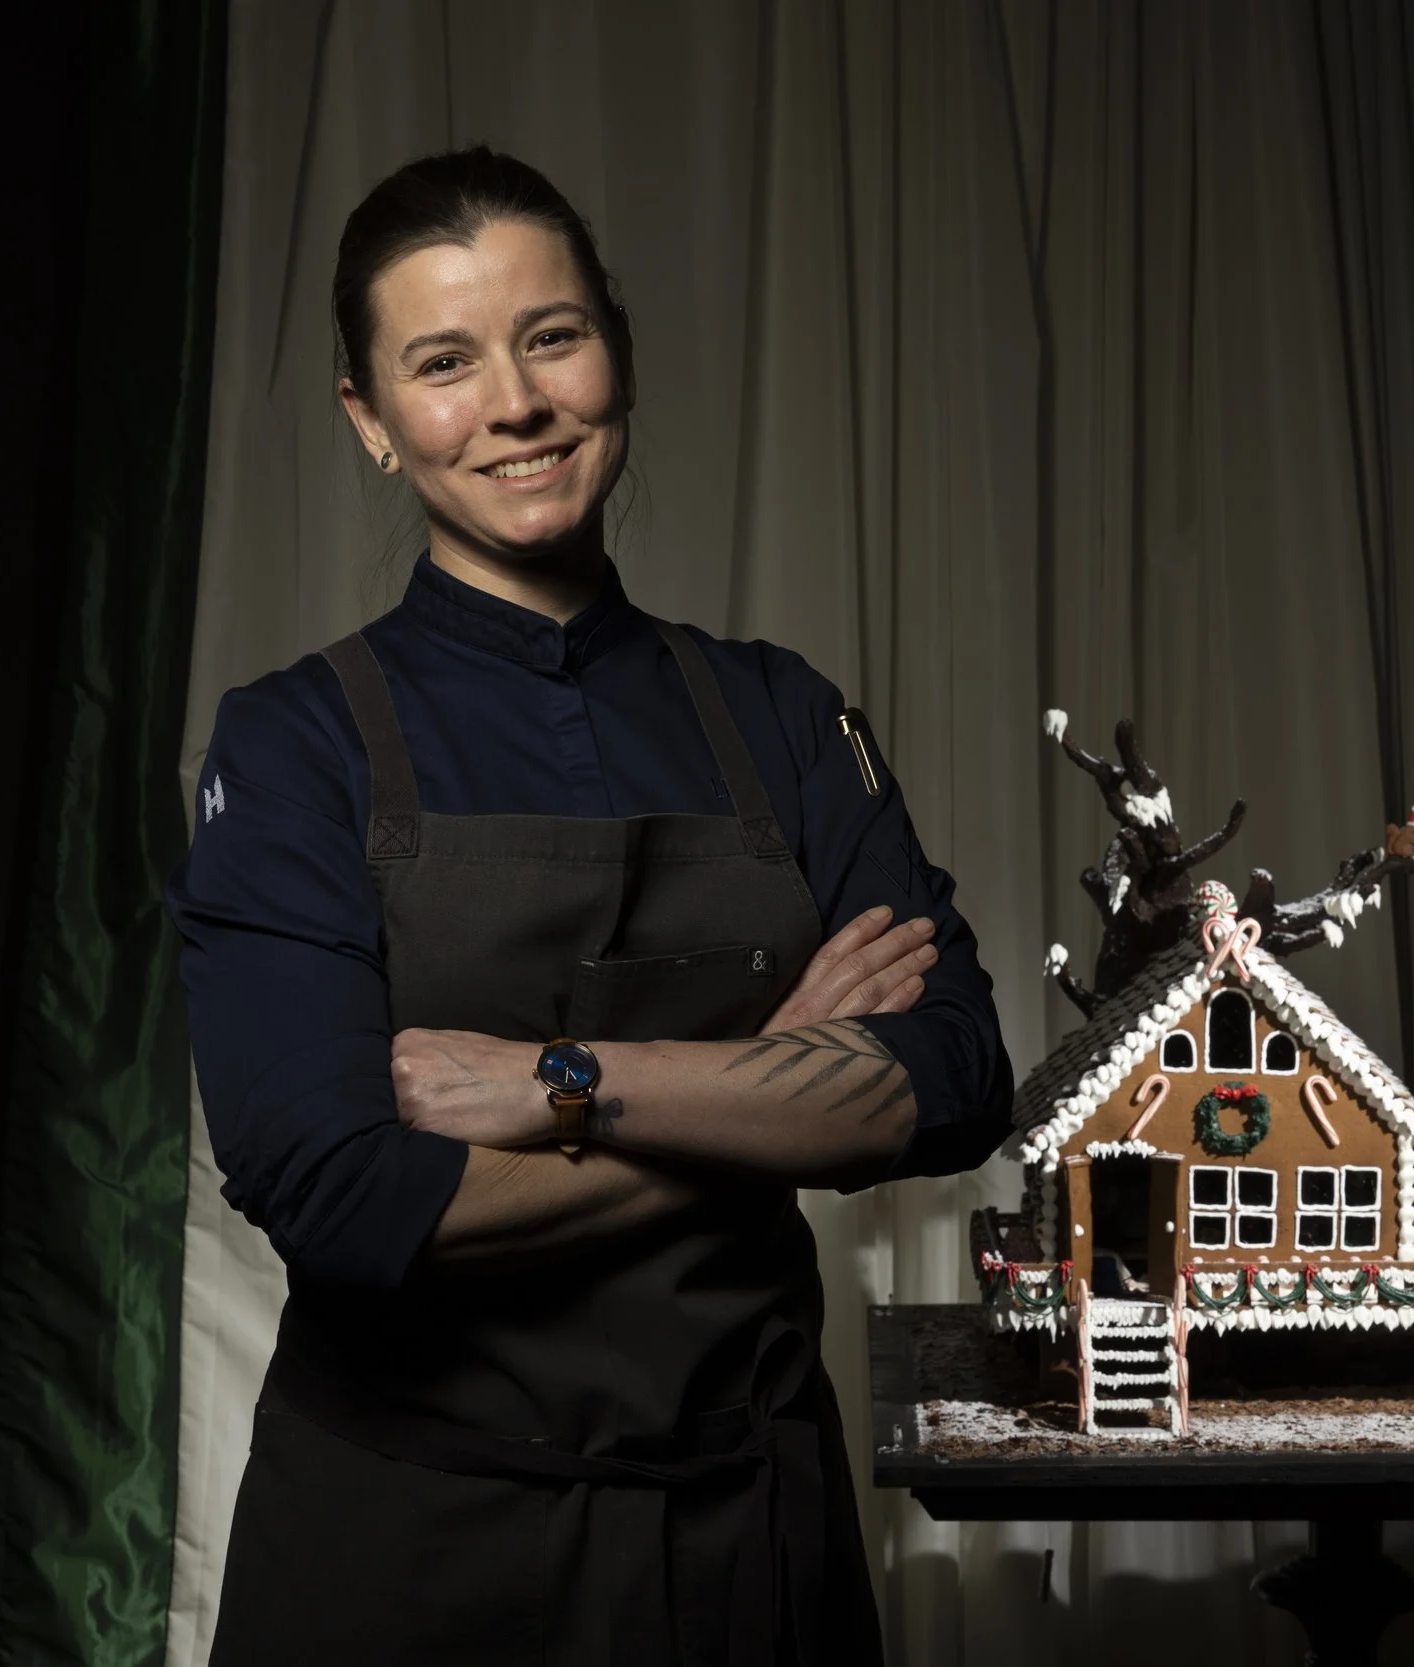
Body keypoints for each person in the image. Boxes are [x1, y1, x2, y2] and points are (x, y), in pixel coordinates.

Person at [168, 146, 1014, 1666]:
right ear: (370, 422)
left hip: (754, 1548)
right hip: (412, 1560)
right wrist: (773, 1085)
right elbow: (349, 1198)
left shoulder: (779, 711)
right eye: (444, 363)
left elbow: (956, 1077)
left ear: (615, 347)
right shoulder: (293, 743)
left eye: (551, 335)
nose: (516, 403)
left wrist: (564, 1084)